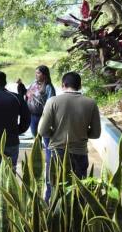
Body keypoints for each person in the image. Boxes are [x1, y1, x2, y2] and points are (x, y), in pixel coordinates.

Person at [38, 72, 101, 202]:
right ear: (80, 85)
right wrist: (82, 133)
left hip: (57, 152)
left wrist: (55, 134)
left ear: (63, 85)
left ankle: (52, 217)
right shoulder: (91, 103)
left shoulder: (53, 101)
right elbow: (96, 133)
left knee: (53, 189)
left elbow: (42, 131)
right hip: (80, 153)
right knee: (78, 192)